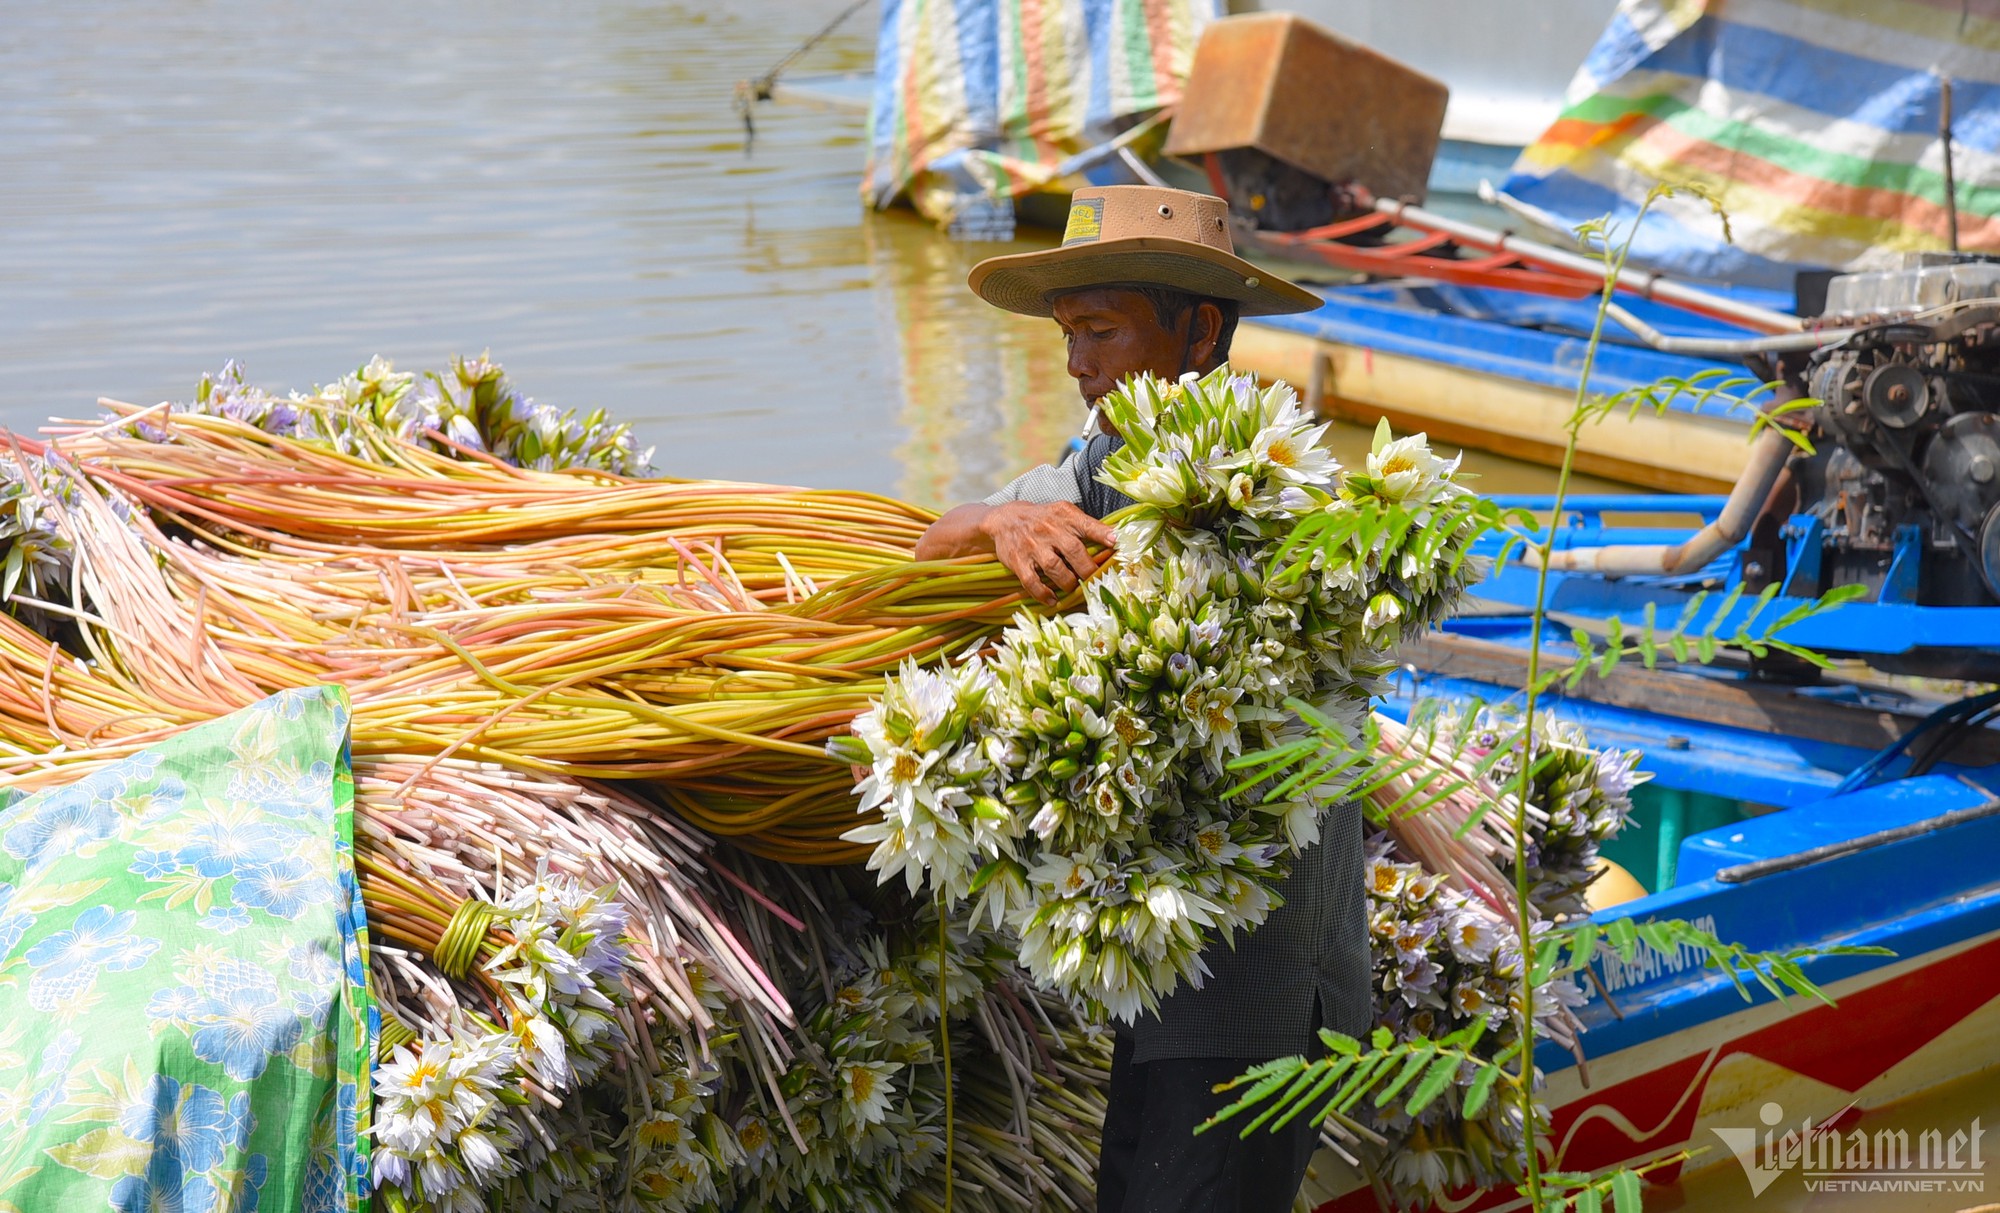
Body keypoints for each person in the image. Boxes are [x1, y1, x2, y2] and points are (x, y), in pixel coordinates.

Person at [916, 185, 1373, 1213]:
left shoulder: (1274, 495)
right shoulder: (1096, 467)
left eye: (1103, 330)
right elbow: (929, 544)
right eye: (1069, 333)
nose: (1078, 364)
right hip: (1161, 975)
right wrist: (997, 523)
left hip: (1249, 992)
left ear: (1199, 329)